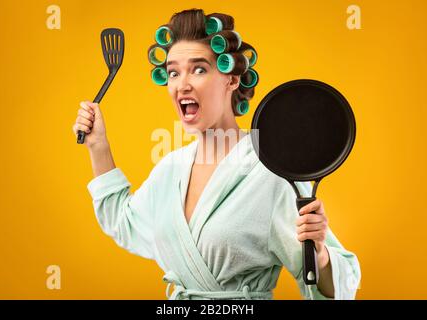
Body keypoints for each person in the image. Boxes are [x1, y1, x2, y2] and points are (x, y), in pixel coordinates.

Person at [72, 9, 361, 300]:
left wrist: (320, 253)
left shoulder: (272, 173)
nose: (182, 84)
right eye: (173, 72)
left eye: (199, 69)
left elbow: (338, 289)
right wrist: (99, 146)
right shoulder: (169, 169)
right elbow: (124, 223)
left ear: (232, 80)